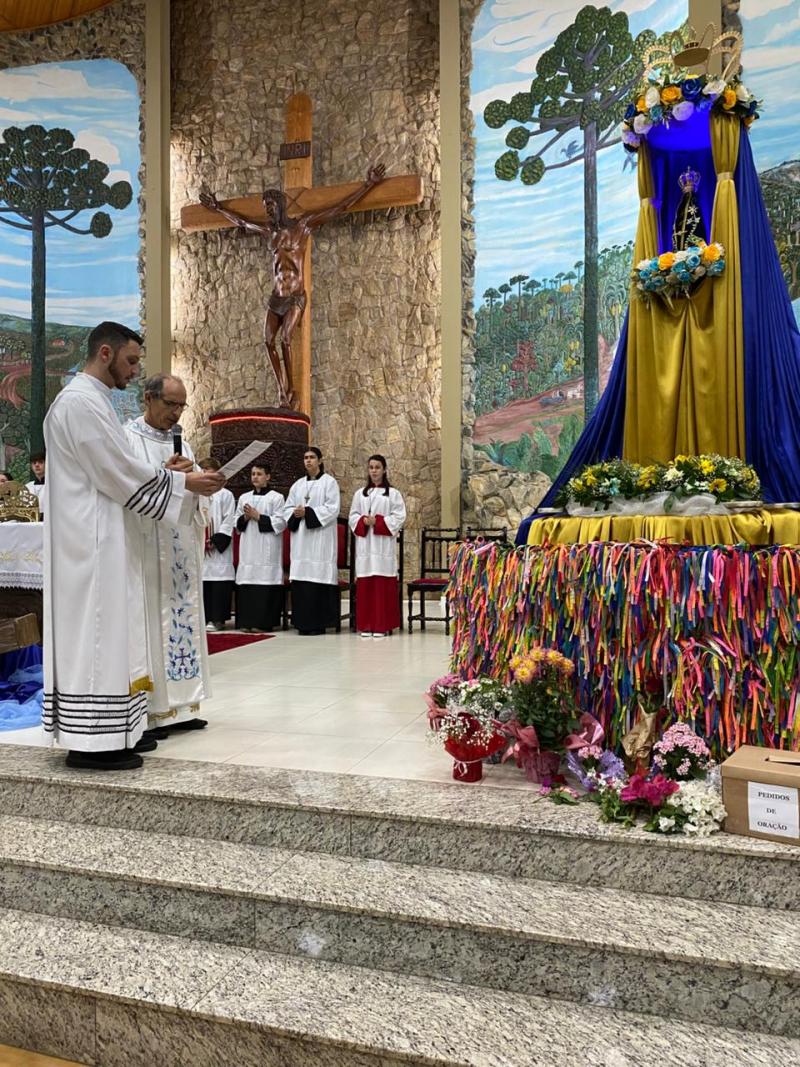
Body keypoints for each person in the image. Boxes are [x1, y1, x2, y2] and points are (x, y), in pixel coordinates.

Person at [43, 322, 224, 771]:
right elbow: (117, 471)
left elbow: (120, 468)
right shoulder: (80, 403)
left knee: (113, 637)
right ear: (105, 353)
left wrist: (172, 478)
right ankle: (92, 743)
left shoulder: (92, 401)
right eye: (131, 361)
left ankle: (114, 733)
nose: (134, 371)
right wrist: (184, 484)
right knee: (99, 638)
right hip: (91, 542)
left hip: (104, 536)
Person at [125, 373, 212, 735]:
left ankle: (183, 705)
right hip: (147, 550)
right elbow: (126, 489)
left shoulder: (184, 445)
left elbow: (193, 495)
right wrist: (166, 477)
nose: (176, 413)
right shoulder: (128, 440)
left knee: (183, 620)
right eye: (170, 404)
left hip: (180, 550)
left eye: (181, 406)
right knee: (152, 625)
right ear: (148, 398)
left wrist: (203, 485)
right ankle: (152, 710)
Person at [284, 447, 340, 635]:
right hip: (301, 542)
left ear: (320, 460)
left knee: (317, 580)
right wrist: (295, 513)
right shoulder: (297, 485)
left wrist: (307, 512)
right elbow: (287, 509)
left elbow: (333, 508)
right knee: (302, 582)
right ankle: (302, 624)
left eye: (312, 457)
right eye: (306, 457)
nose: (308, 460)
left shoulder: (329, 483)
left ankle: (319, 624)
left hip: (320, 541)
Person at [349, 454, 406, 639]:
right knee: (365, 585)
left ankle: (382, 625)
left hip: (382, 547)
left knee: (382, 587)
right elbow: (352, 516)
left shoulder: (393, 494)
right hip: (366, 546)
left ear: (384, 470)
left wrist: (378, 521)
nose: (374, 471)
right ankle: (366, 625)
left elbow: (399, 517)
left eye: (377, 467)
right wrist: (363, 521)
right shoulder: (360, 494)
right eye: (371, 467)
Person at [234, 462, 286, 632]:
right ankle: (246, 622)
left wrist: (258, 516)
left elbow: (280, 522)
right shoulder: (244, 498)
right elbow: (236, 522)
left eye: (259, 474)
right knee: (248, 581)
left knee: (265, 582)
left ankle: (264, 623)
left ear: (268, 476)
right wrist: (245, 518)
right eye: (253, 474)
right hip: (248, 548)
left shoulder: (276, 498)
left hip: (267, 548)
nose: (255, 477)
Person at [199, 457, 236, 631]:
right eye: (203, 470)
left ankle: (218, 619)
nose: (205, 473)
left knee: (219, 583)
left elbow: (229, 519)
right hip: (200, 544)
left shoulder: (225, 494)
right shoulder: (197, 493)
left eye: (209, 469)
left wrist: (215, 540)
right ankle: (204, 618)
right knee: (204, 582)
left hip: (218, 545)